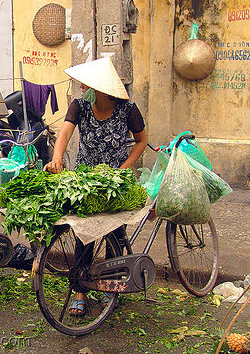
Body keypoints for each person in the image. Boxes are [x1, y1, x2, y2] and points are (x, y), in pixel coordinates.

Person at [44, 56, 147, 316]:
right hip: (86, 182)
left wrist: (123, 170)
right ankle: (80, 291)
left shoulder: (128, 109)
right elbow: (65, 133)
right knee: (83, 235)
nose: (82, 88)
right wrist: (57, 158)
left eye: (87, 84)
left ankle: (109, 288)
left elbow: (141, 141)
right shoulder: (80, 106)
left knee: (114, 235)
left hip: (114, 184)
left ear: (102, 88)